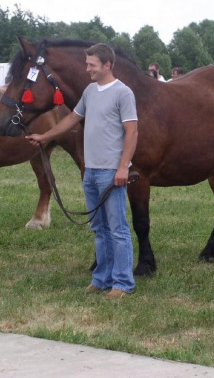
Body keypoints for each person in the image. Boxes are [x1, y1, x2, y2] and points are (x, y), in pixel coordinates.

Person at [26, 43, 138, 299]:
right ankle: (101, 278)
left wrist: (123, 167)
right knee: (99, 229)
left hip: (111, 171)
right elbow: (71, 119)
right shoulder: (89, 91)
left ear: (107, 65)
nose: (87, 69)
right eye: (87, 64)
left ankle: (122, 283)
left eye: (92, 65)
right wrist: (45, 137)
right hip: (91, 171)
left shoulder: (123, 93)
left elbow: (132, 132)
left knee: (118, 229)